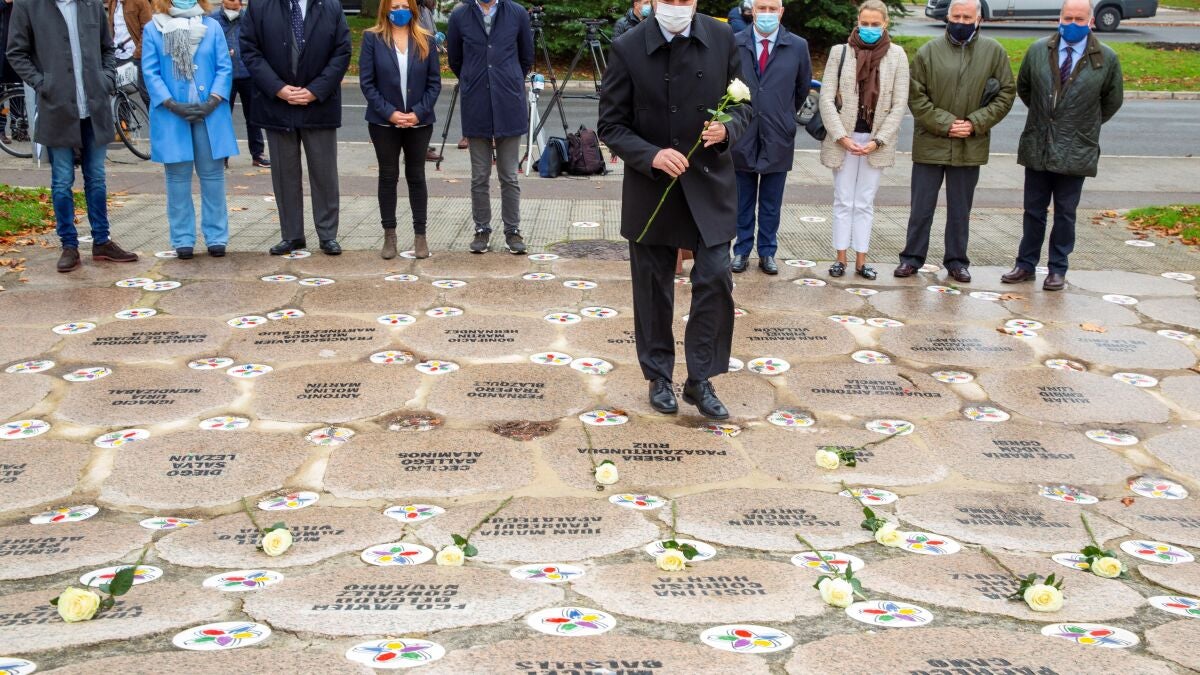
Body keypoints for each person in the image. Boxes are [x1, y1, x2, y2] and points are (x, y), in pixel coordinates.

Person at [599, 0, 751, 420]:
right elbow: (610, 124)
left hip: (709, 183)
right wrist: (650, 155)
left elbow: (744, 105)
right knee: (653, 286)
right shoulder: (628, 46)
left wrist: (727, 129)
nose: (679, 6)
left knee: (716, 276)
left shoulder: (721, 37)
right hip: (654, 187)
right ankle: (658, 376)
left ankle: (701, 378)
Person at [6, 0, 140, 272]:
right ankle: (69, 245)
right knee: (62, 181)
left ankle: (102, 241)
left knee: (97, 178)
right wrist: (42, 83)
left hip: (94, 106)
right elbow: (16, 53)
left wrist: (106, 78)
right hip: (57, 107)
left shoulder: (91, 4)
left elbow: (107, 47)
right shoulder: (29, 6)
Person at [1002, 0, 1122, 292]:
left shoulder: (1106, 58)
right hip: (1039, 143)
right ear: (1059, 18)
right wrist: (1048, 119)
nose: (1072, 24)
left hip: (1076, 148)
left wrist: (1082, 124)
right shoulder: (1038, 50)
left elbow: (1111, 100)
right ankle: (1025, 264)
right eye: (1068, 18)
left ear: (1091, 21)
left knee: (1065, 213)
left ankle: (1057, 268)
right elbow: (1026, 88)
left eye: (1079, 19)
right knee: (1033, 210)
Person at [894, 0, 1013, 283]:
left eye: (967, 17)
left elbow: (1006, 93)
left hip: (969, 144)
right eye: (956, 16)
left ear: (978, 19)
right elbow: (916, 96)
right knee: (921, 208)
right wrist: (947, 124)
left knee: (960, 210)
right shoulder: (928, 51)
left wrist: (974, 123)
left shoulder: (994, 52)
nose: (961, 21)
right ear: (947, 17)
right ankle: (911, 258)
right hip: (930, 141)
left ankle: (957, 261)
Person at [240, 0, 351, 256]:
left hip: (319, 104)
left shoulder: (330, 6)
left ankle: (328, 235)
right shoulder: (259, 6)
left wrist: (316, 90)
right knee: (284, 174)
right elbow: (250, 50)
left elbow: (342, 51)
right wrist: (277, 88)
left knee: (324, 174)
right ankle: (291, 235)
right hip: (277, 105)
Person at [819, 0, 908, 280]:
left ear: (885, 24)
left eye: (875, 24)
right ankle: (840, 258)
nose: (869, 28)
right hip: (844, 139)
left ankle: (861, 260)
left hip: (874, 141)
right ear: (857, 21)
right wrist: (841, 137)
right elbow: (826, 98)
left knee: (865, 201)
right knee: (843, 200)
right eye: (865, 23)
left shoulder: (897, 55)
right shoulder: (840, 52)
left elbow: (899, 104)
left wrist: (878, 141)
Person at [143, 0, 238, 259]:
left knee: (213, 178)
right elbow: (150, 72)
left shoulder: (212, 27)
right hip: (172, 115)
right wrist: (171, 104)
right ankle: (182, 239)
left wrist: (213, 101)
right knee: (177, 180)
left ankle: (216, 237)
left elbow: (224, 68)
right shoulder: (153, 29)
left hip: (210, 114)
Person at [447, 0, 533, 255]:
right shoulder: (460, 15)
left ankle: (512, 230)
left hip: (509, 102)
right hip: (476, 102)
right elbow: (455, 60)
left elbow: (526, 57)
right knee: (479, 175)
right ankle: (482, 229)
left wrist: (508, 78)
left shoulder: (516, 13)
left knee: (509, 175)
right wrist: (473, 79)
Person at [731, 0, 810, 276]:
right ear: (752, 11)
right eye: (761, 8)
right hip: (743, 132)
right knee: (742, 199)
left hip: (778, 133)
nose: (766, 14)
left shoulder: (797, 46)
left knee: (771, 201)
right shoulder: (735, 42)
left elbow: (801, 88)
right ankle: (741, 250)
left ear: (781, 12)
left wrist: (783, 114)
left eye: (772, 9)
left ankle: (767, 252)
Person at [360, 0, 441, 260]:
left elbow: (434, 83)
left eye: (404, 6)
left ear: (412, 9)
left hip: (419, 122)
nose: (399, 11)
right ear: (385, 9)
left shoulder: (426, 39)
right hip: (384, 122)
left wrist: (418, 112)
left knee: (416, 176)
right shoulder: (372, 39)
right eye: (394, 7)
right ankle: (389, 235)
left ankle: (420, 236)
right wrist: (390, 113)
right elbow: (367, 83)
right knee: (388, 176)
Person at [213, 0, 269, 167]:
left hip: (248, 74)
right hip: (224, 76)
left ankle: (258, 154)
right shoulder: (213, 19)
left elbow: (260, 43)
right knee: (223, 117)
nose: (233, 1)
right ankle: (222, 156)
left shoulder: (250, 18)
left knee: (254, 117)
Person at [106, 0, 152, 105]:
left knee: (146, 95)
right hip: (117, 53)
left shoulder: (140, 2)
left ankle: (156, 116)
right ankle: (124, 116)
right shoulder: (113, 2)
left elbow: (148, 30)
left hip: (137, 54)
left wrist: (138, 53)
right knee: (119, 94)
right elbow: (112, 27)